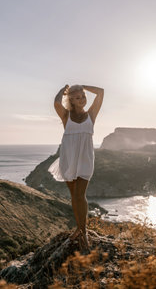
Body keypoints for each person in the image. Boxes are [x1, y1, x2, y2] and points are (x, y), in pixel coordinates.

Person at [48, 84, 104, 251]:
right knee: (74, 196)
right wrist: (63, 89)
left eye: (83, 96)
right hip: (69, 159)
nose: (82, 100)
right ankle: (79, 229)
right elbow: (56, 102)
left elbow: (100, 92)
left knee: (80, 195)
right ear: (71, 100)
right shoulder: (66, 116)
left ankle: (83, 232)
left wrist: (83, 86)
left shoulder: (91, 115)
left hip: (85, 159)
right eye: (78, 97)